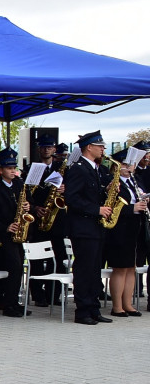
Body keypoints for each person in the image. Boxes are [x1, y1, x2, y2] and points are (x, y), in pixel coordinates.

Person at [64, 130, 114, 325]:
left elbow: (89, 193)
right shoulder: (78, 168)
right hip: (83, 227)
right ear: (89, 147)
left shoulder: (94, 168)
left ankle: (94, 308)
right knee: (84, 269)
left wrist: (105, 191)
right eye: (100, 146)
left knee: (94, 269)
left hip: (95, 227)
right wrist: (97, 209)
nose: (103, 149)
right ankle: (82, 310)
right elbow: (72, 199)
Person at [104, 147, 148, 316]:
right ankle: (117, 306)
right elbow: (111, 207)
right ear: (118, 166)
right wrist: (132, 208)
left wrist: (145, 199)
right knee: (120, 268)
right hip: (119, 230)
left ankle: (128, 304)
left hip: (136, 227)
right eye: (126, 164)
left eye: (131, 164)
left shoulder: (136, 180)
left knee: (131, 267)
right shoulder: (113, 183)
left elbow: (140, 196)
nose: (130, 167)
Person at [26, 135, 69, 307]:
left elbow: (73, 191)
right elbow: (26, 194)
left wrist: (65, 189)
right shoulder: (31, 169)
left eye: (49, 147)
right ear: (38, 149)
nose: (46, 150)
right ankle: (38, 295)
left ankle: (54, 294)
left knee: (59, 259)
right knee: (37, 260)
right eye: (43, 147)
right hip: (38, 220)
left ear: (54, 150)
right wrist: (35, 208)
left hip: (57, 220)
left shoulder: (61, 169)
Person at [0, 148, 31, 318]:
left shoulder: (20, 185)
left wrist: (29, 207)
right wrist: (5, 227)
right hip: (3, 235)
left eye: (14, 167)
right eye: (9, 168)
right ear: (0, 170)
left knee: (17, 267)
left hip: (18, 234)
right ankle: (6, 302)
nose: (13, 171)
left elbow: (30, 204)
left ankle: (11, 300)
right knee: (11, 267)